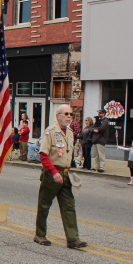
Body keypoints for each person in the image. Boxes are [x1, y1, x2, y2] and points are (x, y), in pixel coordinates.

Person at [33, 104, 87, 249]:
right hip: (52, 174)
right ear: (58, 116)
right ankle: (40, 234)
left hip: (65, 174)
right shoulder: (50, 132)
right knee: (44, 205)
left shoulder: (69, 132)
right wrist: (54, 172)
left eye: (71, 114)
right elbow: (43, 155)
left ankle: (73, 239)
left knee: (69, 206)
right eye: (66, 114)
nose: (69, 116)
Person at [91, 108, 109, 173]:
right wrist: (94, 129)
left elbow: (100, 129)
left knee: (101, 154)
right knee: (96, 155)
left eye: (100, 113)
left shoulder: (105, 121)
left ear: (104, 113)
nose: (99, 114)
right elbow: (92, 128)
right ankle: (96, 167)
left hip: (101, 139)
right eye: (99, 113)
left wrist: (96, 129)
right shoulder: (98, 121)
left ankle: (102, 167)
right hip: (96, 139)